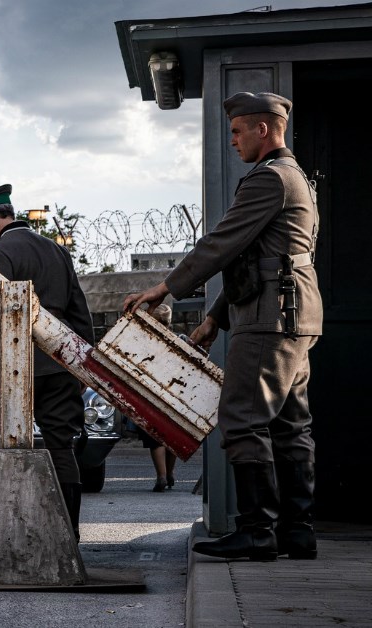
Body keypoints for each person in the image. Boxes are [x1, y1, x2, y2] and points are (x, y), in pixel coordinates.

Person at [124, 92, 320, 562]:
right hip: (292, 317)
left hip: (268, 319)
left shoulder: (269, 180)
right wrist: (215, 317)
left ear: (264, 130)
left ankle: (257, 532)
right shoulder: (298, 181)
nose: (232, 140)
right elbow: (261, 257)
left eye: (237, 131)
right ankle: (297, 531)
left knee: (241, 420)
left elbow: (222, 245)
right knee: (292, 426)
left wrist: (165, 288)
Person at [0, 183, 94, 537]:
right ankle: (69, 533)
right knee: (61, 447)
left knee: (1, 443)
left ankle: (4, 531)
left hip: (18, 368)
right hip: (61, 365)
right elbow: (80, 312)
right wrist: (83, 367)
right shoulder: (56, 250)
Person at [142, 305, 180, 493]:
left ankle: (161, 476)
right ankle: (171, 473)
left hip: (152, 395)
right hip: (175, 395)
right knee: (171, 436)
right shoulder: (177, 340)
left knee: (155, 438)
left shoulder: (145, 341)